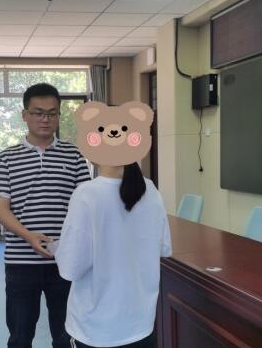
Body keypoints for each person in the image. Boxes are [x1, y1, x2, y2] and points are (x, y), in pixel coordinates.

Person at [52, 101, 172, 348]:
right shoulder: (151, 190)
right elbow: (163, 248)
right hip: (141, 325)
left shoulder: (86, 194)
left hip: (96, 330)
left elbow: (71, 268)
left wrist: (57, 248)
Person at [0, 83, 91, 348]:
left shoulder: (74, 155)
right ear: (25, 115)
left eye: (52, 113)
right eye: (38, 113)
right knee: (20, 336)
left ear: (59, 116)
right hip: (20, 262)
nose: (45, 119)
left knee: (67, 335)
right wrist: (28, 236)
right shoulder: (5, 159)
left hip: (65, 260)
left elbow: (86, 205)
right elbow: (1, 209)